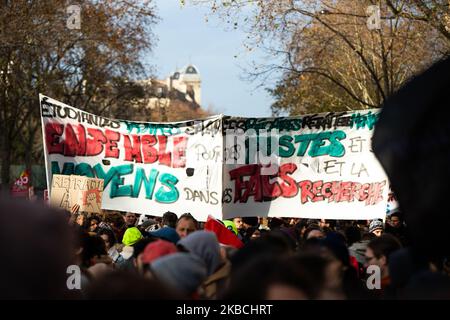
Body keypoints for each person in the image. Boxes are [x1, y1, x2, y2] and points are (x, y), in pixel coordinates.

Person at [178, 231, 231, 299]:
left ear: (207, 254)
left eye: (190, 254)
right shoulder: (199, 280)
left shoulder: (224, 287)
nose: (186, 260)